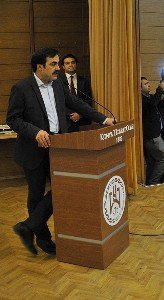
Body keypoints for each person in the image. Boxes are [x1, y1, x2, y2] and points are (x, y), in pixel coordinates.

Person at [7, 48, 114, 255]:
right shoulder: (21, 88)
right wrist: (35, 131)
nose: (58, 68)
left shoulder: (58, 85)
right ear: (40, 67)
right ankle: (44, 240)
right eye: (54, 64)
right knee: (36, 195)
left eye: (58, 63)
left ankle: (27, 227)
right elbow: (13, 119)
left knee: (63, 187)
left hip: (58, 148)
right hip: (33, 149)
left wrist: (104, 119)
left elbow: (77, 104)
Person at [138, 77, 164, 185]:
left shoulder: (150, 96)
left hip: (156, 134)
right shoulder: (140, 100)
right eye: (146, 84)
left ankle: (149, 182)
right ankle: (153, 181)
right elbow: (151, 105)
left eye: (148, 83)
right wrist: (160, 89)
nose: (149, 85)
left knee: (153, 161)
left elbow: (162, 105)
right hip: (151, 136)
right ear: (139, 87)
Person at [58, 53, 94, 132]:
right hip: (65, 122)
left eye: (73, 62)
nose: (70, 65)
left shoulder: (84, 81)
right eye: (67, 63)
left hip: (83, 122)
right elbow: (57, 102)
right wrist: (70, 115)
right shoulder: (57, 81)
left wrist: (80, 115)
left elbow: (88, 100)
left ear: (76, 64)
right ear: (63, 67)